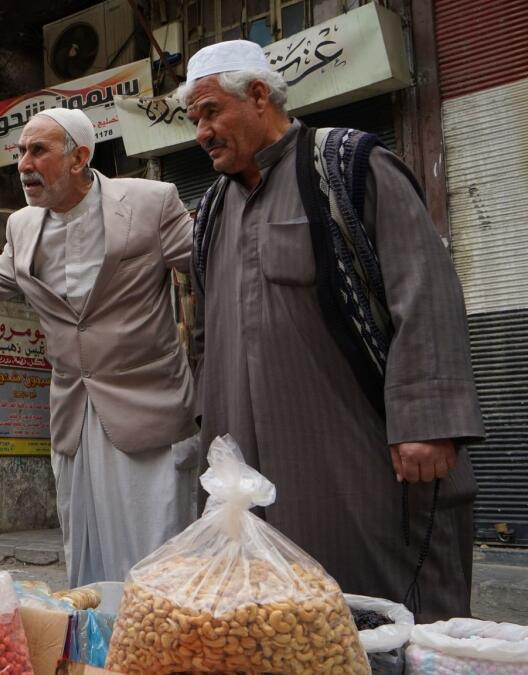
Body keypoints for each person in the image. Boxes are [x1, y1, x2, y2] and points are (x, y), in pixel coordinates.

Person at [180, 40, 484, 621]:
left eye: (212, 112)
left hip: (356, 449)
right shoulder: (212, 210)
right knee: (265, 612)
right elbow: (205, 332)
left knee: (378, 603)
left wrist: (428, 421)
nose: (201, 132)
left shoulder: (350, 165)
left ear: (260, 95)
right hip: (247, 464)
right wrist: (209, 426)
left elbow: (424, 292)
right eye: (195, 119)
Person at [0, 108, 198, 587]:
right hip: (73, 409)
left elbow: (210, 260)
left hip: (146, 401)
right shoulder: (23, 226)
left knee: (157, 548)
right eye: (20, 152)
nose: (24, 164)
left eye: (38, 150)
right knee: (85, 549)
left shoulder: (151, 201)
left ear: (80, 157)